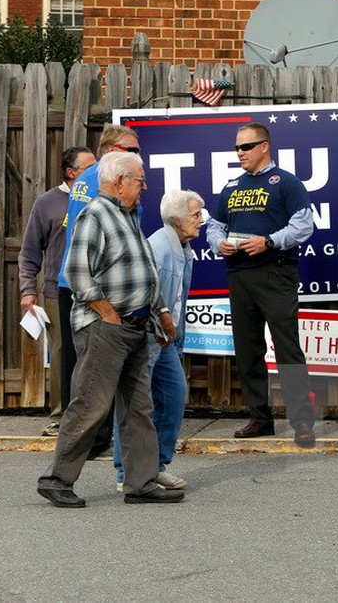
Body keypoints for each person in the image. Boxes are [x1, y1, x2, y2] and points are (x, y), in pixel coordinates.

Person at [37, 151, 183, 507]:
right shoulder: (95, 215)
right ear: (119, 182)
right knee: (90, 404)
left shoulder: (129, 216)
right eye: (139, 180)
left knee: (138, 408)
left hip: (137, 325)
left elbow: (145, 271)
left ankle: (140, 482)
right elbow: (76, 273)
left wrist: (162, 313)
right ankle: (56, 479)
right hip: (105, 326)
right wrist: (108, 314)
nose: (145, 187)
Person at [205, 123, 317, 448]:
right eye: (237, 148)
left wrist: (269, 241)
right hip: (239, 273)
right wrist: (218, 243)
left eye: (246, 147)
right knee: (247, 348)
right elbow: (214, 224)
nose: (240, 153)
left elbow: (303, 225)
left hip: (275, 271)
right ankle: (260, 418)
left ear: (264, 146)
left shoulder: (286, 182)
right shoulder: (232, 186)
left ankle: (302, 423)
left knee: (287, 347)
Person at [56, 125, 142, 459]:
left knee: (78, 367)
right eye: (132, 151)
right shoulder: (110, 186)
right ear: (113, 150)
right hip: (98, 288)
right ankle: (90, 441)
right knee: (100, 371)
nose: (137, 156)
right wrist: (107, 307)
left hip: (73, 283)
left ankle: (77, 439)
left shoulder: (82, 180)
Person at [112, 190, 204, 492]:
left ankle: (156, 466)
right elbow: (146, 296)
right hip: (147, 336)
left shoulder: (184, 247)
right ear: (177, 219)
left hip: (164, 339)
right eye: (195, 214)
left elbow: (178, 300)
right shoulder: (159, 247)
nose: (201, 219)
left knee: (174, 395)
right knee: (135, 403)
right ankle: (126, 473)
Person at [18, 146, 96, 436]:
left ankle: (92, 416)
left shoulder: (97, 197)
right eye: (87, 167)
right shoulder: (47, 203)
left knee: (93, 352)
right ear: (70, 172)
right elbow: (29, 253)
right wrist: (28, 290)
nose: (94, 172)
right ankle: (62, 416)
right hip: (56, 290)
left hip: (93, 289)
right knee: (63, 351)